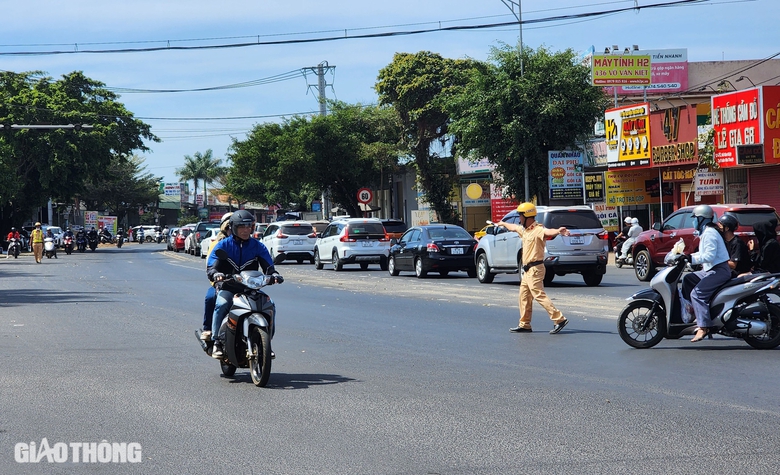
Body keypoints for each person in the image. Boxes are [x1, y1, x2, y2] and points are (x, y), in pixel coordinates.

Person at [207, 210, 282, 358]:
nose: (246, 230)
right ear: (233, 227)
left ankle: (267, 344)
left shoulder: (258, 246)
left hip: (251, 288)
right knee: (221, 304)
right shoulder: (223, 245)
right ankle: (216, 341)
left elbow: (268, 266)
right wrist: (216, 274)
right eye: (242, 227)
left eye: (249, 226)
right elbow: (212, 266)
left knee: (270, 305)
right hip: (229, 287)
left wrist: (274, 275)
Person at [497, 202, 571, 335]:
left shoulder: (538, 230)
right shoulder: (525, 230)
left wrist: (558, 231)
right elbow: (513, 227)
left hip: (535, 268)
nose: (519, 218)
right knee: (523, 296)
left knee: (538, 294)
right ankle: (524, 324)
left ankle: (559, 319)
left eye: (520, 215)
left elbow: (548, 232)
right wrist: (502, 223)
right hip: (527, 270)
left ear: (527, 216)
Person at [680, 205, 731, 342]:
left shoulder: (710, 233)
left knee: (697, 294)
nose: (693, 222)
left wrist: (691, 258)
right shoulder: (706, 232)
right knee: (689, 279)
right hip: (710, 269)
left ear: (702, 219)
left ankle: (704, 326)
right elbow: (703, 254)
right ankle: (695, 314)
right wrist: (686, 256)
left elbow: (709, 256)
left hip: (719, 271)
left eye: (695, 219)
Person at [200, 212, 232, 342]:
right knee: (211, 297)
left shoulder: (250, 243)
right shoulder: (218, 244)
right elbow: (210, 265)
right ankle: (208, 329)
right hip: (222, 283)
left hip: (245, 283)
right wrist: (216, 277)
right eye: (232, 227)